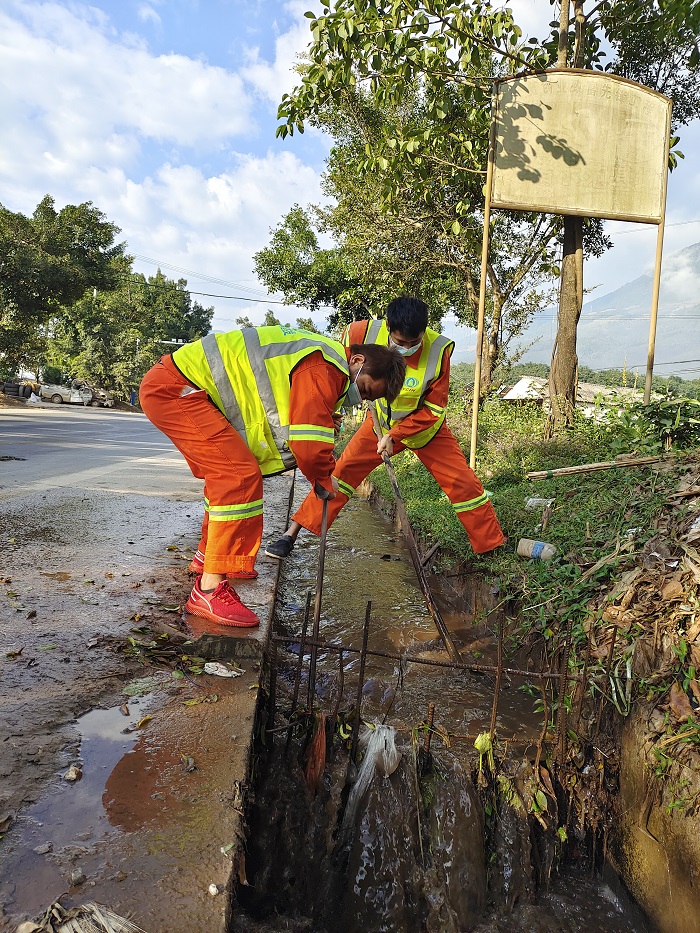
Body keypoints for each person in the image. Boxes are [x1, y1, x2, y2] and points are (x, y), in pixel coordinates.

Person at [139, 325, 406, 628]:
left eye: (368, 398)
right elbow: (308, 446)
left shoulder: (322, 360)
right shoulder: (326, 365)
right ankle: (209, 589)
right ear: (357, 360)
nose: (360, 398)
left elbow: (283, 410)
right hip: (176, 390)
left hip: (182, 388)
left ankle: (207, 557)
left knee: (229, 472)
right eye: (365, 389)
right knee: (236, 476)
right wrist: (324, 479)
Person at [265, 296, 505, 562]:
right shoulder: (361, 332)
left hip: (425, 431)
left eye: (415, 342)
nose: (407, 349)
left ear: (424, 331)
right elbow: (338, 375)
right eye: (401, 342)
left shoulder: (439, 351)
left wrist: (396, 434)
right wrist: (332, 412)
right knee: (339, 474)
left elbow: (434, 409)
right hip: (379, 425)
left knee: (463, 483)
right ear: (389, 327)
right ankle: (291, 534)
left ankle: (491, 546)